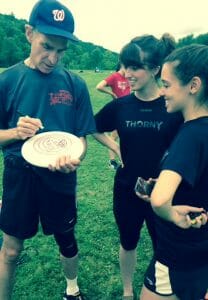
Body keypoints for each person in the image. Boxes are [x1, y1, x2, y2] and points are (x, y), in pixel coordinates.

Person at [0, 1, 96, 299]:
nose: (53, 57)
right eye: (47, 46)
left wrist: (75, 157)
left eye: (61, 50)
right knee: (12, 251)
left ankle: (72, 289)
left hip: (60, 178)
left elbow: (80, 137)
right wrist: (16, 132)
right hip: (20, 175)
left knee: (66, 239)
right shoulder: (7, 80)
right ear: (29, 33)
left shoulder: (75, 84)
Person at [93, 34, 183, 299]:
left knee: (163, 245)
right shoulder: (120, 106)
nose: (125, 73)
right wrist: (115, 146)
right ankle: (128, 289)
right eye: (124, 66)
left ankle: (163, 289)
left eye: (134, 67)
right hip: (126, 188)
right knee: (128, 241)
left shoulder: (172, 106)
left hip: (163, 192)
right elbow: (94, 127)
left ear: (155, 69)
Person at [138, 44, 208, 300]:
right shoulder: (196, 127)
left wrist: (169, 211)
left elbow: (159, 200)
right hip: (198, 250)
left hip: (177, 254)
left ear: (193, 85)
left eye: (166, 85)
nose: (162, 92)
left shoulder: (191, 135)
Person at [96, 63, 130, 170]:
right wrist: (111, 93)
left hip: (128, 110)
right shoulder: (114, 76)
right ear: (122, 65)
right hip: (118, 110)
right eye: (128, 68)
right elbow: (99, 86)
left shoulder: (128, 77)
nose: (130, 71)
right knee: (114, 136)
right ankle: (112, 161)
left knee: (124, 135)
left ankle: (122, 159)